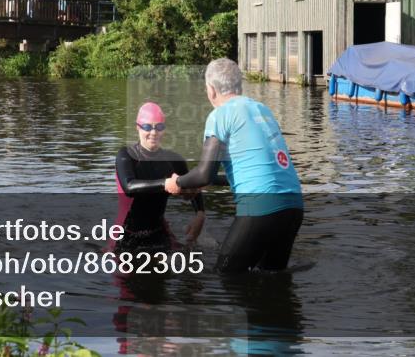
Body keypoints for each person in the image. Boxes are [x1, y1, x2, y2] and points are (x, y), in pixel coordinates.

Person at [166, 58, 303, 273]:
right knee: (272, 277)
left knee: (226, 276)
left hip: (260, 206)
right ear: (239, 85)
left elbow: (203, 174)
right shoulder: (262, 109)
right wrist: (205, 183)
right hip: (294, 204)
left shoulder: (219, 115)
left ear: (211, 90)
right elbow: (253, 167)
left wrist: (178, 182)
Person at [115, 102, 205, 253]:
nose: (154, 132)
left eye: (159, 127)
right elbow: (129, 187)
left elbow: (192, 184)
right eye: (147, 127)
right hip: (126, 236)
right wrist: (165, 183)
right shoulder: (126, 155)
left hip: (159, 233)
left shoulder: (173, 160)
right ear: (137, 127)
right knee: (125, 274)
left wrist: (200, 213)